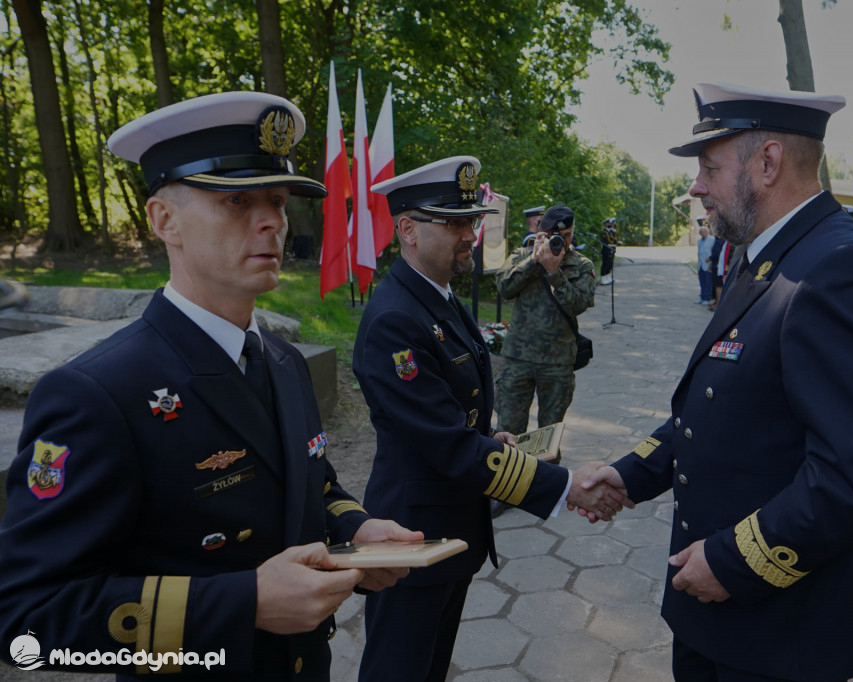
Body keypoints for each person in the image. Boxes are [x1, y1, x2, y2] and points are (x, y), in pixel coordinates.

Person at [0, 91, 421, 679]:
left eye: (277, 199)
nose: (273, 219)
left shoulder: (283, 361)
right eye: (237, 200)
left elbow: (311, 485)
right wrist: (242, 601)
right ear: (163, 219)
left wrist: (356, 529)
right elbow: (24, 619)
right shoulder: (95, 394)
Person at [581, 82, 853, 681]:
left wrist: (737, 563)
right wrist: (635, 473)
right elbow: (721, 401)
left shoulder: (841, 266)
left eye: (709, 168)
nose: (695, 186)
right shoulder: (764, 253)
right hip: (715, 607)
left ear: (768, 162)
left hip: (782, 628)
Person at [352, 157, 627, 682]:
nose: (470, 234)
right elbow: (446, 446)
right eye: (454, 222)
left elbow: (454, 419)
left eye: (471, 221)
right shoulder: (395, 319)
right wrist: (566, 486)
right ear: (407, 229)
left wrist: (489, 435)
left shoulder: (438, 298)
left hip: (451, 531)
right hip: (412, 539)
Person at [494, 203, 596, 443]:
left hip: (557, 362)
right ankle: (510, 480)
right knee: (508, 432)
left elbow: (581, 304)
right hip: (518, 358)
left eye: (568, 235)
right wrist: (534, 261)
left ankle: (547, 481)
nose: (564, 241)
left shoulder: (581, 265)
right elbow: (504, 289)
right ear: (542, 233)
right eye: (556, 237)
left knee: (547, 439)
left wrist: (555, 275)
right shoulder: (523, 255)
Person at [695, 219, 714, 304]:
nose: (703, 233)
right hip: (700, 264)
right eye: (701, 232)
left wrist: (710, 258)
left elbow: (714, 251)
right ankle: (702, 297)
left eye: (704, 231)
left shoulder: (712, 239)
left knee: (708, 282)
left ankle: (707, 298)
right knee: (702, 282)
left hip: (707, 264)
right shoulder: (699, 241)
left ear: (707, 231)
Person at [599, 216, 617, 285]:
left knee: (610, 264)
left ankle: (608, 277)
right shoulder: (604, 232)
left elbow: (614, 241)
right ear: (606, 224)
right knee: (605, 264)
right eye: (609, 223)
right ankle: (603, 278)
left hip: (611, 249)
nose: (611, 224)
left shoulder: (610, 232)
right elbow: (605, 242)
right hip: (606, 250)